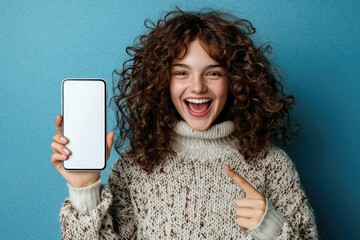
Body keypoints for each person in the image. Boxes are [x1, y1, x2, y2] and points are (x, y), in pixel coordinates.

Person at [50, 8, 318, 239]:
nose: (198, 86)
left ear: (235, 80)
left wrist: (272, 229)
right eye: (181, 72)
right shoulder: (137, 165)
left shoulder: (271, 165)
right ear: (162, 81)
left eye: (213, 72)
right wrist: (84, 188)